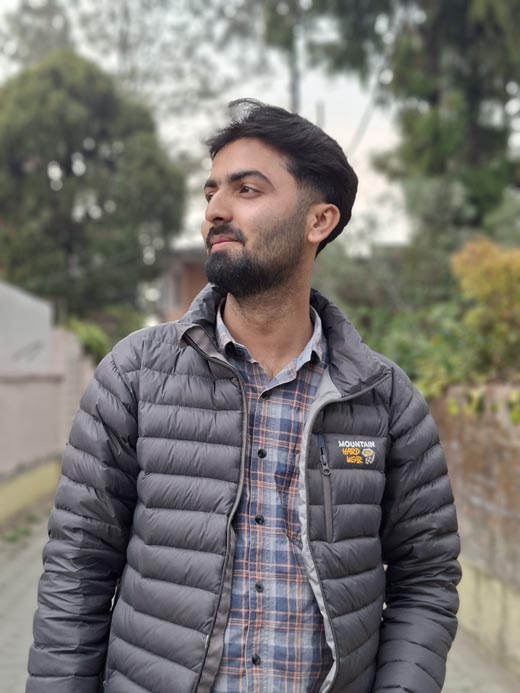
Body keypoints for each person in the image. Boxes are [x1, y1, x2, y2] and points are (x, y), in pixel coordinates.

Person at [27, 99, 461, 693]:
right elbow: (76, 571)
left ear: (319, 221)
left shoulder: (384, 401)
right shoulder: (134, 375)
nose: (216, 210)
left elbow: (425, 578)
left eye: (247, 190)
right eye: (211, 192)